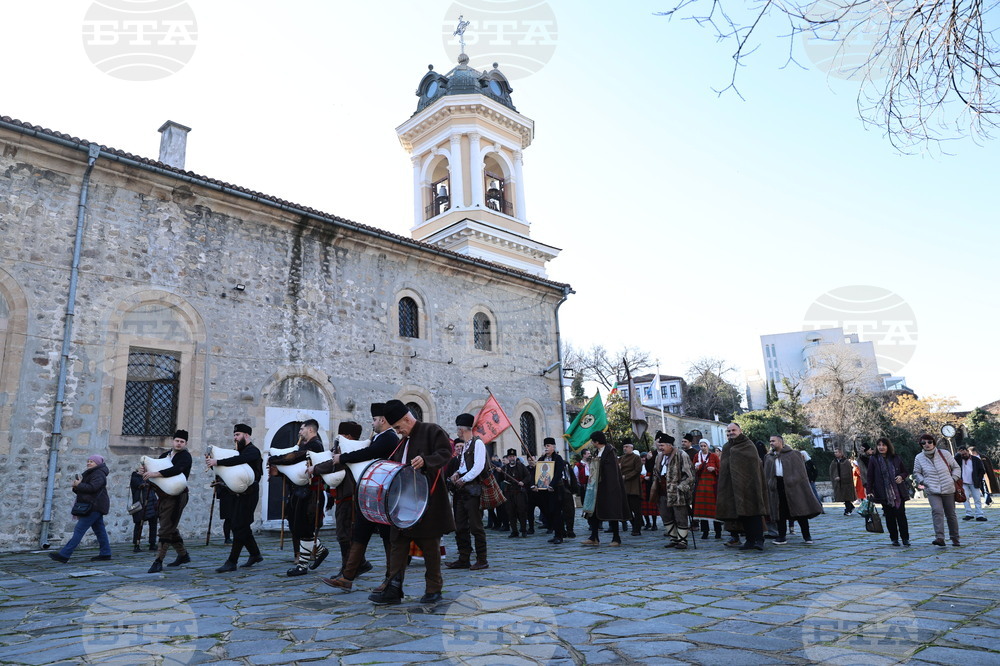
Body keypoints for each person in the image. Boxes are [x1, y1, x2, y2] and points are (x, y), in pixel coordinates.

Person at [369, 400, 455, 605]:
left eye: (398, 427)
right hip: (403, 504)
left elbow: (446, 453)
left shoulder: (432, 430)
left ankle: (433, 589)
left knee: (430, 547)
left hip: (428, 502)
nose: (398, 432)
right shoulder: (403, 441)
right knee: (397, 545)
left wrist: (426, 461)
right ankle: (393, 589)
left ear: (407, 419)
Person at [322, 403, 400, 593]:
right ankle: (347, 577)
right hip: (372, 494)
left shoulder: (389, 437)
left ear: (383, 420)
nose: (372, 423)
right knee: (360, 533)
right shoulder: (380, 437)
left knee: (387, 538)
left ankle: (390, 579)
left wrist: (343, 458)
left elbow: (368, 453)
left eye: (374, 419)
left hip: (383, 495)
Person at [268, 419, 328, 576]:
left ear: (310, 430)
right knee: (298, 528)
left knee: (303, 528)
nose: (299, 432)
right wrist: (279, 472)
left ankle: (303, 564)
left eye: (302, 429)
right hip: (299, 493)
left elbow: (294, 458)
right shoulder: (305, 445)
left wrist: (274, 459)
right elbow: (296, 469)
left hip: (310, 494)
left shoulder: (315, 445)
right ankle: (319, 551)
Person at [309, 421, 364, 577]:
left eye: (342, 435)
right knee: (346, 534)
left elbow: (335, 465)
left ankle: (348, 569)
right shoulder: (344, 449)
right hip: (343, 496)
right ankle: (359, 564)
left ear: (348, 436)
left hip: (349, 497)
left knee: (344, 535)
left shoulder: (351, 450)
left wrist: (315, 468)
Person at [208, 423, 264, 572]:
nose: (235, 438)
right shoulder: (237, 451)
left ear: (246, 435)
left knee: (239, 526)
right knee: (241, 526)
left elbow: (238, 460)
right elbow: (229, 467)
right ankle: (255, 554)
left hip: (250, 493)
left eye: (237, 435)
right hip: (237, 494)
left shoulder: (253, 451)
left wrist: (218, 461)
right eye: (234, 435)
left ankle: (232, 561)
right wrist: (214, 465)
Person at [144, 429, 193, 573]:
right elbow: (154, 470)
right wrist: (146, 472)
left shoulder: (185, 457)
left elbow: (177, 470)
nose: (179, 443)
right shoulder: (164, 456)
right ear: (173, 441)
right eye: (177, 441)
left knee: (166, 528)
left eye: (182, 442)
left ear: (185, 443)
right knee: (170, 526)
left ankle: (158, 560)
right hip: (163, 495)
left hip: (178, 496)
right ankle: (183, 555)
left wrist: (156, 473)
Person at [445, 413, 490, 571]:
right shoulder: (466, 445)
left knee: (476, 526)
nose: (457, 432)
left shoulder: (478, 444)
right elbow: (464, 466)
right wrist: (458, 473)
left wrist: (464, 479)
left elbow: (479, 466)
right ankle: (464, 558)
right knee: (460, 526)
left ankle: (482, 559)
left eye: (458, 429)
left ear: (462, 430)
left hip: (473, 491)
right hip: (463, 491)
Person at [48, 454, 112, 563]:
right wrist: (76, 487)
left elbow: (93, 488)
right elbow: (86, 490)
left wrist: (79, 485)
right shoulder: (92, 473)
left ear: (97, 463)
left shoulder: (98, 474)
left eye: (91, 461)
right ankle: (105, 553)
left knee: (79, 530)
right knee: (100, 530)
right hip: (94, 505)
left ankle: (64, 554)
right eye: (88, 461)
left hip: (94, 506)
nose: (89, 463)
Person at [716, 423, 768, 552]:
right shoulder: (727, 447)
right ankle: (749, 540)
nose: (731, 433)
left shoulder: (748, 445)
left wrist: (751, 482)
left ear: (740, 431)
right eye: (728, 431)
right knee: (742, 514)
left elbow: (754, 466)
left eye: (733, 430)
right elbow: (724, 468)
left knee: (754, 513)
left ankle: (759, 540)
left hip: (750, 485)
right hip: (733, 487)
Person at [763, 436, 822, 545]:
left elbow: (801, 472)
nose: (771, 443)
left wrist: (793, 480)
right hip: (776, 487)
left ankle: (807, 536)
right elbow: (766, 474)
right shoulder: (769, 457)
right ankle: (781, 537)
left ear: (780, 442)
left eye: (773, 441)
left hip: (794, 487)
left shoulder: (794, 454)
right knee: (779, 512)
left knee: (800, 511)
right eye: (770, 441)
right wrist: (770, 484)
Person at [912, 433, 962, 547]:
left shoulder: (944, 453)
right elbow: (916, 472)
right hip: (932, 489)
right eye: (923, 443)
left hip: (948, 488)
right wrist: (923, 482)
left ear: (934, 443)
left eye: (929, 442)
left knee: (951, 514)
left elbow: (956, 467)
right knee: (937, 511)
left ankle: (955, 538)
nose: (927, 444)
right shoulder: (919, 457)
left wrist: (953, 479)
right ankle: (940, 538)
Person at [581, 432, 629, 546]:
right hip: (597, 487)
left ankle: (616, 538)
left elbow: (612, 471)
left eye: (593, 441)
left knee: (612, 511)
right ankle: (594, 537)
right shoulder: (597, 452)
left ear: (597, 441)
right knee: (594, 512)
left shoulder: (610, 452)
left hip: (609, 487)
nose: (592, 443)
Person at [650, 432, 695, 549]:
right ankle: (673, 539)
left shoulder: (681, 455)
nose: (660, 447)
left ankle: (682, 541)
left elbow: (690, 476)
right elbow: (655, 471)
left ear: (669, 445)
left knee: (680, 516)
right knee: (666, 516)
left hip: (677, 492)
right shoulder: (659, 457)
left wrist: (681, 487)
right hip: (662, 491)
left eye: (662, 445)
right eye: (659, 445)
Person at [866, 437, 911, 547]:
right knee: (889, 517)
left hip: (898, 492)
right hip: (883, 492)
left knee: (901, 516)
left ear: (888, 446)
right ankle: (894, 539)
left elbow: (905, 471)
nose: (881, 447)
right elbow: (870, 476)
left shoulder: (896, 457)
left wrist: (901, 476)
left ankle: (905, 538)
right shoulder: (873, 459)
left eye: (884, 445)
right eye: (879, 445)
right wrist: (869, 491)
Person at [533, 438, 567, 544]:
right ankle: (556, 532)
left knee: (556, 512)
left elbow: (558, 473)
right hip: (544, 491)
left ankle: (559, 535)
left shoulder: (558, 458)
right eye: (545, 446)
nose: (546, 448)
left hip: (555, 490)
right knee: (549, 512)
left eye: (548, 446)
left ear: (553, 447)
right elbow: (537, 473)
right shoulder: (542, 459)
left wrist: (551, 484)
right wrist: (536, 485)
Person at [692, 438, 723, 540]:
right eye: (701, 446)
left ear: (708, 446)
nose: (703, 448)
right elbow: (692, 469)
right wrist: (696, 469)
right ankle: (705, 532)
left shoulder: (714, 456)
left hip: (712, 485)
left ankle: (718, 532)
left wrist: (714, 469)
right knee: (702, 510)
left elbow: (720, 469)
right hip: (701, 485)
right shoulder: (697, 456)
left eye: (704, 446)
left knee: (714, 509)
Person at [501, 448, 531, 538]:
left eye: (513, 456)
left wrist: (523, 482)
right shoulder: (505, 468)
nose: (512, 458)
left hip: (519, 492)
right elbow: (500, 478)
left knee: (522, 511)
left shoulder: (521, 466)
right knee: (511, 512)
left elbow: (528, 476)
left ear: (516, 457)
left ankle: (524, 530)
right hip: (509, 492)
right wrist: (499, 472)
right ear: (508, 457)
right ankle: (514, 531)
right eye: (510, 456)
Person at [129, 464, 158, 552]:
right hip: (141, 505)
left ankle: (152, 544)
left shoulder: (150, 477)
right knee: (139, 524)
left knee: (153, 524)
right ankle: (136, 545)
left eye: (144, 468)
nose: (143, 470)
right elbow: (140, 485)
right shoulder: (135, 477)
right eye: (141, 468)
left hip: (152, 503)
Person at [619, 442, 644, 537]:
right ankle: (634, 525)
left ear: (631, 448)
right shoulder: (621, 458)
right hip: (623, 486)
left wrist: (626, 476)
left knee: (636, 509)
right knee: (627, 510)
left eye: (626, 447)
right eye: (624, 447)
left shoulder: (636, 458)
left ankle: (637, 528)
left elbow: (638, 470)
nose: (625, 448)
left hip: (633, 486)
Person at [957, 445, 987, 521]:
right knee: (965, 498)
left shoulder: (976, 460)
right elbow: (952, 462)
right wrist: (958, 454)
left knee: (977, 499)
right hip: (963, 483)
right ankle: (969, 514)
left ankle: (979, 515)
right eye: (962, 454)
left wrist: (978, 479)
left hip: (974, 482)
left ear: (968, 451)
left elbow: (982, 470)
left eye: (965, 453)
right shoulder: (959, 460)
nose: (964, 455)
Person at [829, 448, 856, 515]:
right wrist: (835, 477)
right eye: (834, 452)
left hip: (846, 483)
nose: (835, 453)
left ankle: (848, 510)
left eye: (837, 452)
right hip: (838, 483)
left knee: (847, 497)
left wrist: (842, 477)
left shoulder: (846, 462)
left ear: (841, 453)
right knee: (843, 497)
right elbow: (832, 471)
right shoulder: (834, 462)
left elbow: (848, 472)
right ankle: (850, 507)